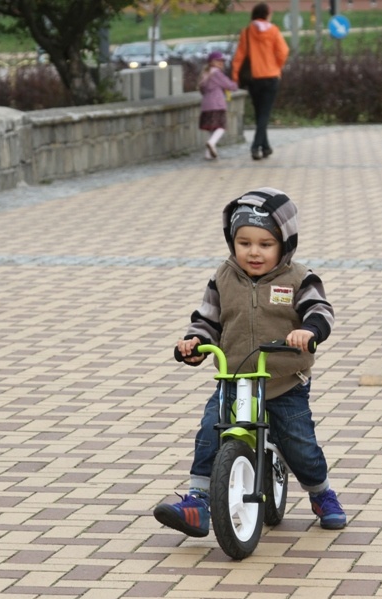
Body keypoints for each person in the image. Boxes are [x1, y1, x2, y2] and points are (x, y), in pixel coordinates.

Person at [153, 187, 346, 537]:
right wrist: (195, 343)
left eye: (265, 244)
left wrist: (308, 330)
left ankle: (322, 494)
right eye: (244, 243)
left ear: (284, 244)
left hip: (283, 383)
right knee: (211, 433)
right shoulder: (224, 277)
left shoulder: (299, 278)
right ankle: (198, 500)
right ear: (233, 242)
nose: (254, 252)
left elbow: (321, 310)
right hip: (236, 378)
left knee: (300, 446)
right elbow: (207, 320)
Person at [231, 3, 289, 161]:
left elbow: (239, 56)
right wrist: (276, 65)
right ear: (267, 14)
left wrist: (235, 76)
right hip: (271, 76)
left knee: (259, 113)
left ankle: (266, 147)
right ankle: (256, 147)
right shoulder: (273, 31)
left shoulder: (247, 32)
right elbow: (283, 51)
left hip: (253, 78)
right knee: (264, 114)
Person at [199, 51, 238, 160]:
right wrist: (236, 83)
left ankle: (208, 154)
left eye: (222, 61)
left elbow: (202, 89)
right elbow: (229, 85)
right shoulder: (216, 73)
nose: (221, 63)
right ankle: (211, 143)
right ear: (211, 62)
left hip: (206, 106)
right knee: (221, 126)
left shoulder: (205, 74)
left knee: (212, 129)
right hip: (217, 104)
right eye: (218, 61)